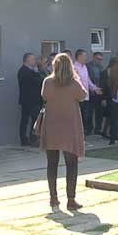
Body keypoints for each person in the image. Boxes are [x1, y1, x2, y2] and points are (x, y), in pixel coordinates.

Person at [39, 53, 87, 210]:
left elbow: (44, 96)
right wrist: (77, 78)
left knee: (51, 164)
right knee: (71, 164)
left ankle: (53, 198)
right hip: (70, 127)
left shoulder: (48, 82)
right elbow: (83, 95)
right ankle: (71, 200)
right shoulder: (74, 83)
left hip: (52, 126)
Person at [73, 49, 102, 135]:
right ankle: (78, 135)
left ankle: (83, 135)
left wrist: (95, 88)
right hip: (78, 97)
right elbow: (76, 83)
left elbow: (87, 80)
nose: (86, 58)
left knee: (85, 116)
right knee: (79, 117)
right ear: (79, 56)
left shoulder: (84, 67)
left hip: (86, 96)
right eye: (84, 56)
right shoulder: (74, 68)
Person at [17, 53, 43, 146]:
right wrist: (36, 72)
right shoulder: (24, 71)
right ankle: (30, 139)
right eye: (32, 59)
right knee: (32, 120)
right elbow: (38, 80)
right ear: (27, 60)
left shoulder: (27, 71)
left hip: (30, 100)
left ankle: (29, 139)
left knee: (29, 120)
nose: (34, 61)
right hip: (30, 100)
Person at [99, 55, 118, 139]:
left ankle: (110, 132)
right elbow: (102, 86)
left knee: (113, 115)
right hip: (108, 97)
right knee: (109, 115)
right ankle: (107, 132)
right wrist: (103, 98)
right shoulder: (105, 73)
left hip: (115, 96)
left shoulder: (117, 72)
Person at [88, 52, 106, 135]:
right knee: (90, 112)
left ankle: (98, 129)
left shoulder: (101, 67)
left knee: (99, 112)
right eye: (98, 59)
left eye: (101, 59)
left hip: (99, 92)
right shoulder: (88, 66)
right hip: (91, 92)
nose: (99, 61)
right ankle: (89, 129)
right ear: (94, 58)